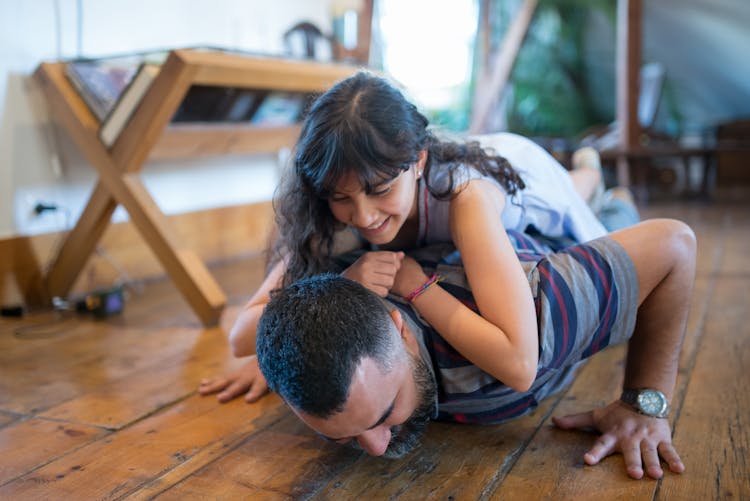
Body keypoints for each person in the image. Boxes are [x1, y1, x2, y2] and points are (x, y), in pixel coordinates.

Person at [199, 71, 638, 395]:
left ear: (419, 161)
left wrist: (416, 285)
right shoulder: (330, 210)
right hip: (479, 160)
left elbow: (521, 365)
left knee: (592, 205)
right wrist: (337, 287)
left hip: (526, 175)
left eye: (380, 190)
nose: (364, 216)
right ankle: (588, 171)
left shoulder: (465, 199)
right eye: (341, 197)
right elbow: (241, 337)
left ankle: (591, 170)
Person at [254, 219, 696, 480]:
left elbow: (674, 245)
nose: (374, 447)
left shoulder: (538, 315)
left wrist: (643, 402)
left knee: (607, 209)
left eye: (385, 412)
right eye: (343, 436)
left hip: (557, 234)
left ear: (401, 330)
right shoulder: (315, 365)